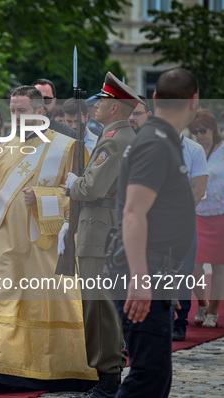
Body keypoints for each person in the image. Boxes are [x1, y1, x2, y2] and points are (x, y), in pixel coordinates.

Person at [0, 85, 97, 392]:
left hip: (47, 243)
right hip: (9, 243)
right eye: (13, 111)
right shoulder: (1, 149)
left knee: (52, 301)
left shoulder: (68, 146)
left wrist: (47, 199)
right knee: (7, 302)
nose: (15, 116)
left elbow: (81, 194)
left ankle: (63, 366)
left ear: (40, 112)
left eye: (22, 111)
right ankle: (2, 366)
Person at [113, 67, 197, 398]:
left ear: (155, 99)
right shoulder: (156, 144)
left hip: (155, 269)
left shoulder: (159, 139)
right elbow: (134, 213)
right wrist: (141, 280)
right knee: (147, 376)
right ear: (194, 101)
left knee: (156, 377)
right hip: (141, 270)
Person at [63, 72, 143, 398]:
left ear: (115, 108)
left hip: (100, 231)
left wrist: (72, 183)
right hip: (116, 229)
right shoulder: (130, 137)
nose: (96, 105)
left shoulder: (113, 140)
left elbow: (92, 186)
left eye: (103, 100)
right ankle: (112, 369)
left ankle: (107, 376)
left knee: (98, 308)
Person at [171, 113, 208, 341]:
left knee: (183, 271)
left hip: (183, 221)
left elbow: (199, 189)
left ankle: (181, 321)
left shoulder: (194, 150)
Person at [191, 109, 224, 328]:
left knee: (219, 265)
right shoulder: (194, 151)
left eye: (203, 130)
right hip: (196, 214)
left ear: (213, 128)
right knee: (193, 266)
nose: (200, 136)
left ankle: (214, 308)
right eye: (195, 132)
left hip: (220, 216)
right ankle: (202, 302)